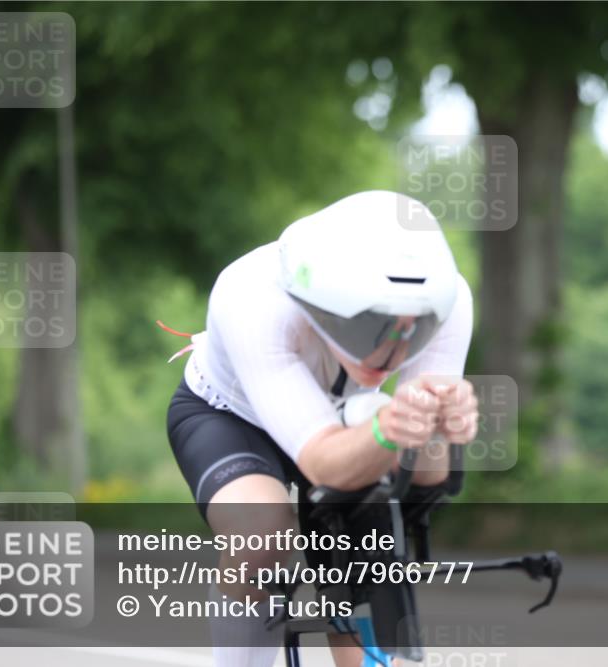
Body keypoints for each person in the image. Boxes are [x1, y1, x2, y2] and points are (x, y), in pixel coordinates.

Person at [164, 190, 478, 667]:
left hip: (345, 420)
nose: (390, 356)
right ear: (322, 305)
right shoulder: (252, 297)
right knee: (262, 533)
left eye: (412, 332)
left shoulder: (447, 301)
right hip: (231, 415)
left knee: (374, 547)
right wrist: (391, 433)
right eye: (371, 328)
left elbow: (427, 487)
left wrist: (439, 431)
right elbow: (321, 459)